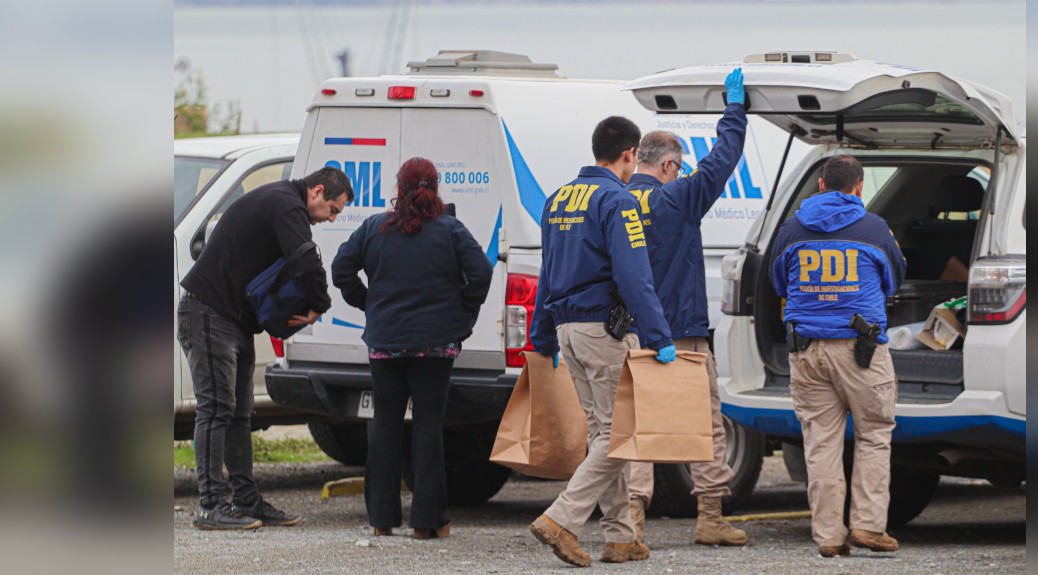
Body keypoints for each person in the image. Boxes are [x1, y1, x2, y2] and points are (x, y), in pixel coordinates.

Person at [526, 116, 675, 567]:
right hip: (605, 332)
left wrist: (542, 335)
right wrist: (659, 335)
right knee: (618, 435)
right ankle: (561, 519)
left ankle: (620, 537)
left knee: (602, 434)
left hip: (569, 331)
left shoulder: (558, 199)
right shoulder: (618, 199)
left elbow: (547, 273)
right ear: (630, 154)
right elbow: (634, 275)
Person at [179, 166, 353, 530]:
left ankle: (246, 500)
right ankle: (211, 505)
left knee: (239, 415)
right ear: (317, 191)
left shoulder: (281, 201)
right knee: (215, 411)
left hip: (234, 320)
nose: (330, 219)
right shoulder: (286, 204)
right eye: (333, 210)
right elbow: (305, 260)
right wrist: (320, 305)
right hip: (208, 312)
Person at [331, 157, 492, 540]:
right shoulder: (451, 229)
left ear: (398, 190)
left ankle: (382, 519)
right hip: (435, 346)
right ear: (436, 189)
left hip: (386, 344)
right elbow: (482, 273)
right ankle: (428, 522)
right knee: (428, 426)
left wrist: (368, 302)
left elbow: (341, 269)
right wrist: (463, 308)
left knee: (385, 424)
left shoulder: (374, 227)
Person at [623, 68, 750, 547]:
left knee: (636, 431)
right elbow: (722, 160)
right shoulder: (677, 199)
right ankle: (710, 517)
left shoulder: (613, 202)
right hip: (682, 333)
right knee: (703, 425)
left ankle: (633, 523)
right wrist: (733, 109)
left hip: (630, 336)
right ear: (671, 167)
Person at [770, 155, 907, 557]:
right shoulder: (874, 228)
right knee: (874, 435)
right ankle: (868, 526)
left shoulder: (791, 228)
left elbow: (779, 283)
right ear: (859, 187)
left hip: (807, 350)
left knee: (821, 443)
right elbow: (893, 278)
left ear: (821, 185)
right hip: (861, 350)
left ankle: (829, 536)